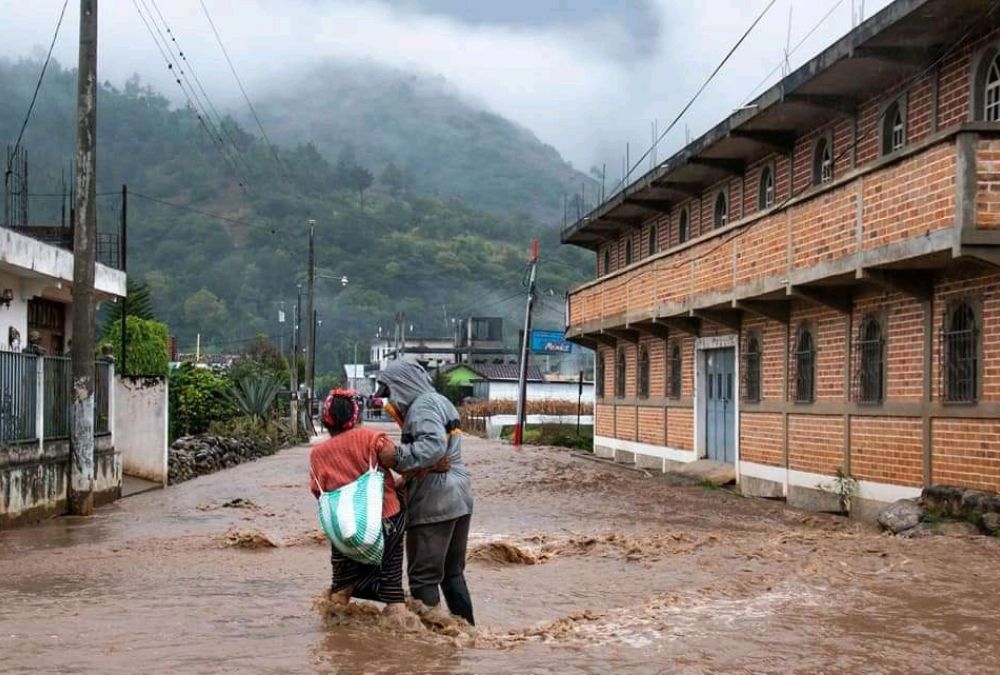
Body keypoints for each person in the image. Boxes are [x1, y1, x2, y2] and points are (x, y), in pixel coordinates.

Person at [375, 360, 475, 626]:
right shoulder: (440, 401)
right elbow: (437, 451)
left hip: (436, 501)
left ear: (402, 385)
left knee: (423, 578)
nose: (389, 401)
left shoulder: (422, 407)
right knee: (452, 574)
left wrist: (394, 457)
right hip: (459, 496)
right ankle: (468, 634)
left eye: (390, 393)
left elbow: (432, 447)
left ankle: (433, 647)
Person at [309, 389, 411, 621]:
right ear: (355, 417)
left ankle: (336, 641)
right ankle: (403, 639)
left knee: (340, 590)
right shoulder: (372, 439)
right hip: (386, 522)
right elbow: (402, 463)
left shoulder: (317, 454)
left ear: (326, 420)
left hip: (345, 530)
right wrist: (408, 478)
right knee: (392, 591)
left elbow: (318, 492)